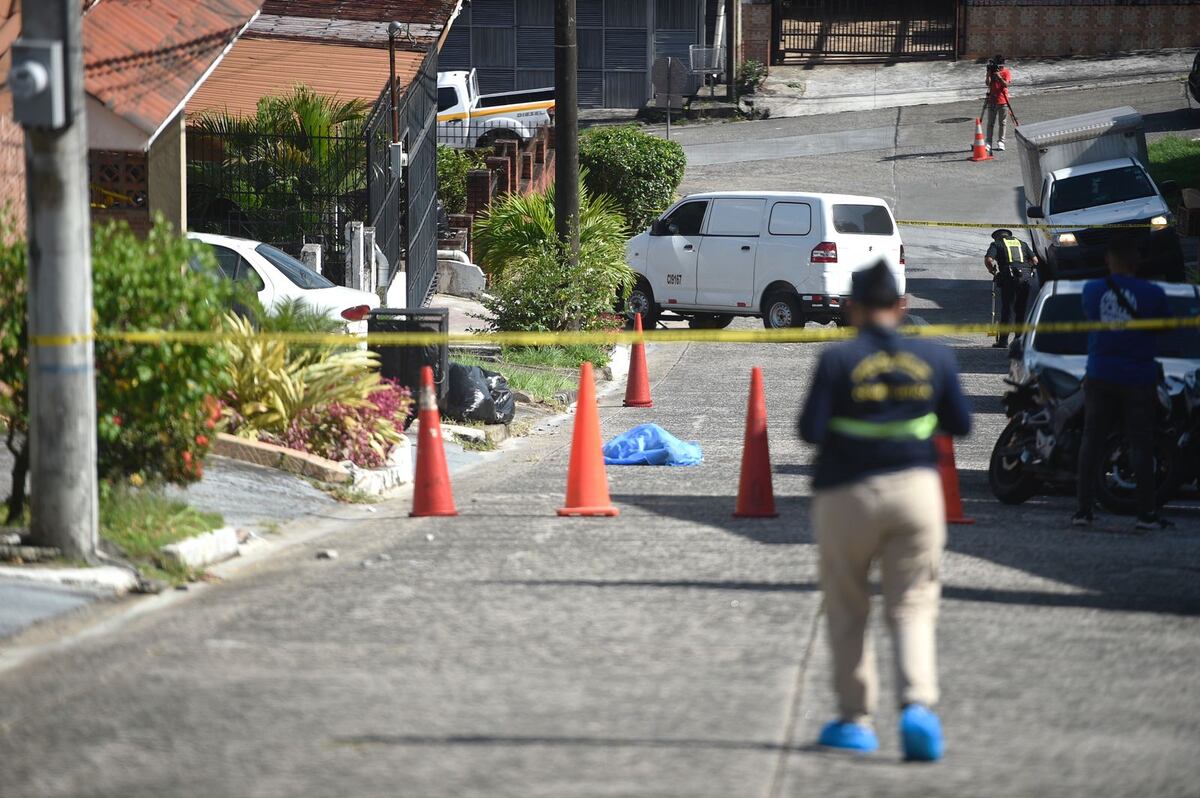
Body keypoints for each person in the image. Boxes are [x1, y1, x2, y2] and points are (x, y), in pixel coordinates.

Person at [798, 260, 972, 761]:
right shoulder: (935, 357)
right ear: (901, 306)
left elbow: (809, 431)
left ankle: (855, 721)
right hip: (917, 493)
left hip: (846, 494)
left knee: (849, 607)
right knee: (914, 604)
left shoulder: (837, 360)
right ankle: (917, 707)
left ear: (852, 308)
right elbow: (960, 425)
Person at [1074, 235, 1172, 531]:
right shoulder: (1152, 293)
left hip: (1100, 374)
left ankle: (1083, 511)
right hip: (1138, 378)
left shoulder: (1092, 290)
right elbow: (1166, 328)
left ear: (1108, 261)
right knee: (1141, 445)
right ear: (1136, 262)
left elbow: (1090, 316)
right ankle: (1145, 514)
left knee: (1091, 442)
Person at [985, 229, 1039, 348]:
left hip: (1009, 278)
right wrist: (1025, 268)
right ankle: (1019, 340)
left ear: (997, 238)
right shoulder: (1022, 243)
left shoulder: (997, 244)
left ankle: (1003, 341)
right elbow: (1035, 260)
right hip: (1025, 278)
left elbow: (989, 259)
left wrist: (992, 270)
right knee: (1021, 309)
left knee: (1007, 309)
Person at [984, 55, 1012, 152]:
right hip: (992, 100)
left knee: (1002, 123)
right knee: (990, 123)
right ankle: (988, 142)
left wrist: (999, 76)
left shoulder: (1006, 72)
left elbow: (1006, 84)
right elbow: (987, 83)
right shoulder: (991, 71)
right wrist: (988, 73)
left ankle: (1001, 142)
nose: (999, 68)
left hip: (1003, 100)